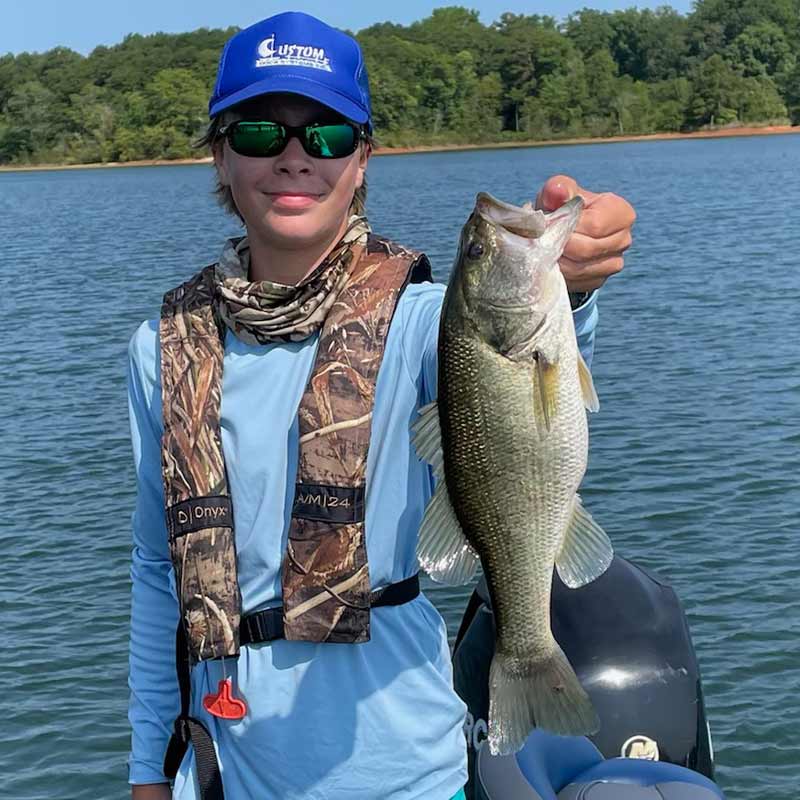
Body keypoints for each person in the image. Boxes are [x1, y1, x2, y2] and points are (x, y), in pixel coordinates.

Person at [126, 11, 635, 800]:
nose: (295, 157)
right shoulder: (161, 350)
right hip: (219, 773)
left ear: (363, 160)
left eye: (327, 135)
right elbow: (158, 572)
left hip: (402, 774)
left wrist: (575, 281)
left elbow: (518, 365)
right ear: (220, 156)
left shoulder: (426, 320)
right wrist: (147, 774)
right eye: (262, 132)